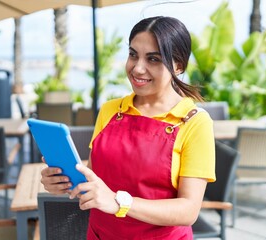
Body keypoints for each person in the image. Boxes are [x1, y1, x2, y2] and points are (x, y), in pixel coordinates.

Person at [41, 16, 215, 239]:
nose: (138, 68)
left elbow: (188, 210)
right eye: (133, 55)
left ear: (178, 65)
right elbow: (95, 179)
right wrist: (64, 182)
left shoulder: (195, 122)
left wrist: (118, 202)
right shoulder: (110, 110)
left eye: (153, 59)